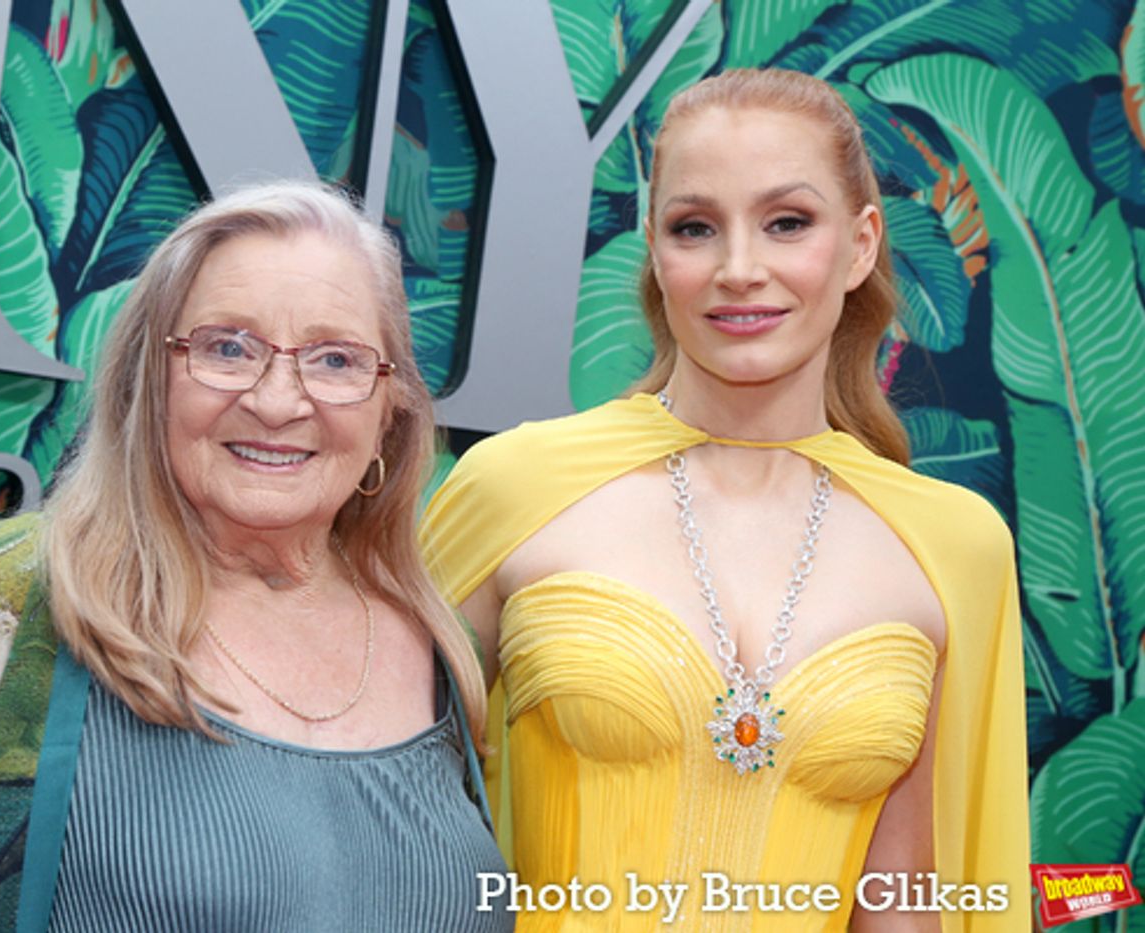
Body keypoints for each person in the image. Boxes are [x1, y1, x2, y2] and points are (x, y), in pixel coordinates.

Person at [0, 181, 510, 932]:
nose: (278, 401)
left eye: (336, 359)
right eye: (227, 347)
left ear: (391, 407)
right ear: (152, 377)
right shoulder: (17, 593)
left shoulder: (436, 644)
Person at [421, 68, 1028, 930]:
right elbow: (383, 818)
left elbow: (899, 900)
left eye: (787, 222)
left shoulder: (950, 544)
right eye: (696, 227)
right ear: (656, 251)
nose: (740, 269)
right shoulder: (513, 489)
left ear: (859, 245)